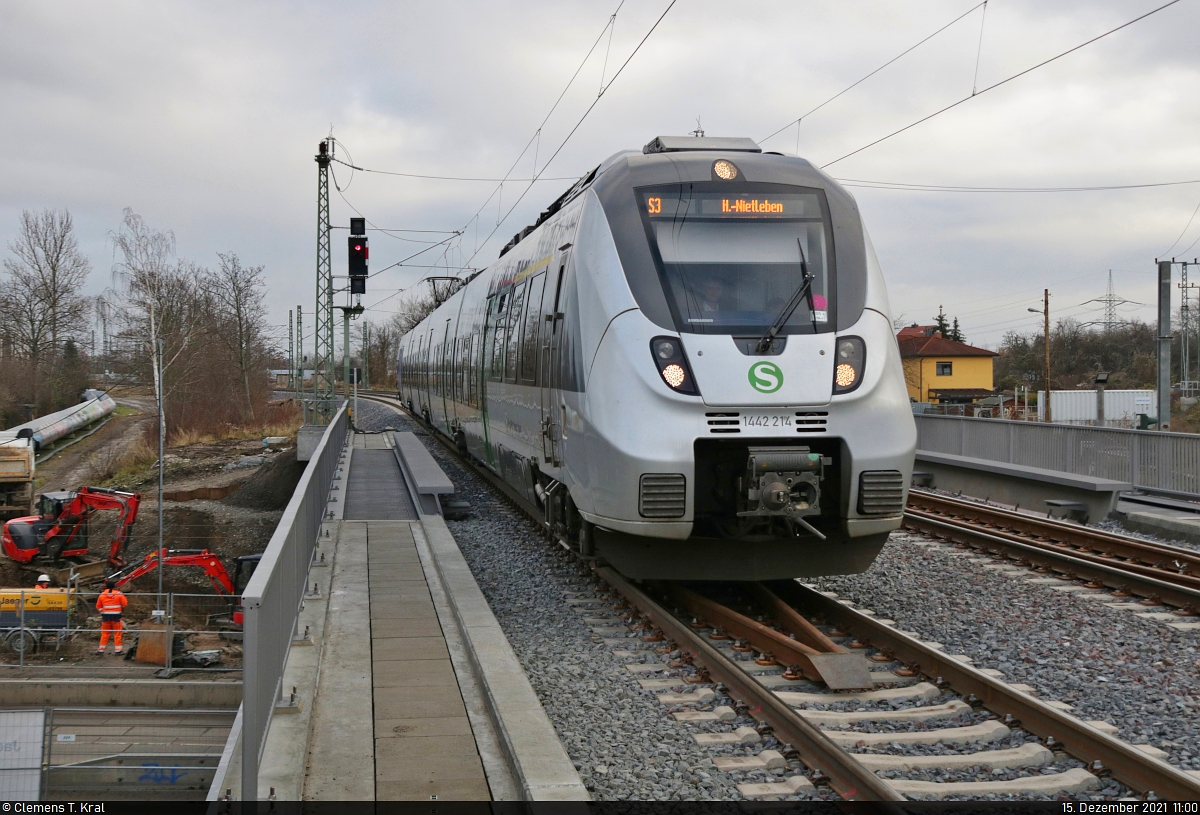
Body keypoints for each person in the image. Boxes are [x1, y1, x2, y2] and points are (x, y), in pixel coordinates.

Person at [96, 579, 128, 655]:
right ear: (114, 586)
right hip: (116, 617)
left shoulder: (102, 595)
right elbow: (125, 604)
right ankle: (118, 650)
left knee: (105, 633)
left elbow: (98, 606)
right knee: (117, 633)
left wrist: (102, 612)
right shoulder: (119, 594)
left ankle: (101, 650)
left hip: (106, 617)